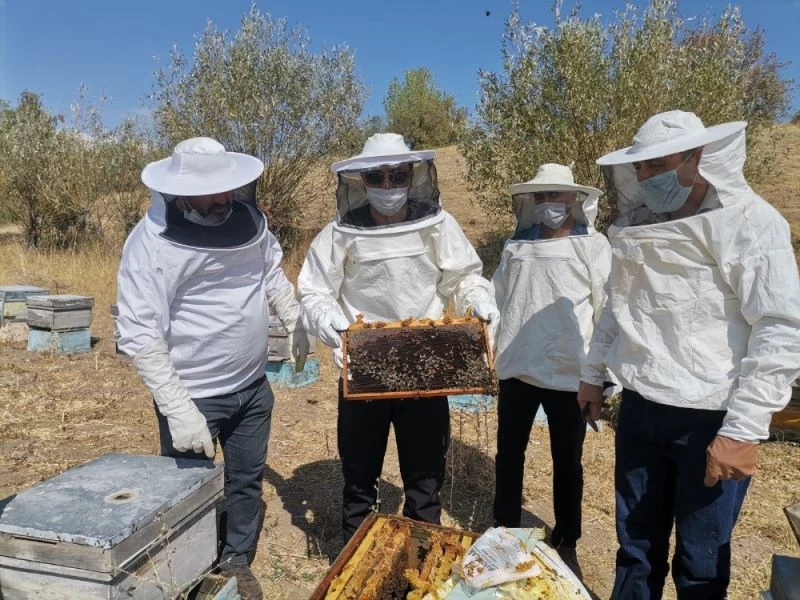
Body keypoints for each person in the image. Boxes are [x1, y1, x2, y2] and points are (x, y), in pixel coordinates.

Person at [578, 110, 800, 599]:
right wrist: (593, 374)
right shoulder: (639, 226)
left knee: (700, 562)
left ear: (697, 158)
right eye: (638, 169)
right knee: (635, 548)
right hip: (639, 411)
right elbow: (619, 305)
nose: (642, 177)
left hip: (710, 419)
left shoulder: (752, 223)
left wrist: (742, 430)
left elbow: (779, 327)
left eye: (654, 165)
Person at [117, 137, 310, 600]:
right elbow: (141, 334)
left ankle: (236, 561)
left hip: (253, 386)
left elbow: (269, 276)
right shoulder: (149, 244)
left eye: (228, 189)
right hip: (194, 394)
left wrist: (295, 318)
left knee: (245, 481)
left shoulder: (250, 221)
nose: (224, 199)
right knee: (190, 495)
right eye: (212, 193)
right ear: (181, 192)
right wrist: (177, 407)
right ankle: (188, 569)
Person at [297, 133, 499, 543]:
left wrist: (477, 299)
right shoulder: (340, 233)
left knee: (425, 478)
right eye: (378, 176)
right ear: (362, 180)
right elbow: (315, 290)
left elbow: (462, 276)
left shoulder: (439, 224)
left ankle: (424, 550)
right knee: (358, 472)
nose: (388, 186)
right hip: (363, 366)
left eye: (397, 176)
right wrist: (333, 329)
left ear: (412, 177)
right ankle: (354, 551)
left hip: (426, 369)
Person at [491, 163, 614, 573]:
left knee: (568, 460)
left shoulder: (593, 246)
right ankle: (505, 531)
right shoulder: (517, 245)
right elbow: (499, 300)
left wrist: (602, 378)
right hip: (518, 367)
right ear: (531, 202)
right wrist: (489, 349)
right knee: (509, 455)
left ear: (575, 199)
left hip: (570, 372)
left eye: (556, 195)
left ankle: (567, 537)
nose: (549, 204)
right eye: (541, 196)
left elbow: (605, 309)